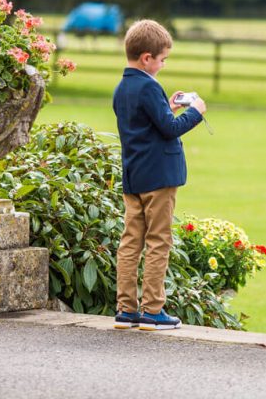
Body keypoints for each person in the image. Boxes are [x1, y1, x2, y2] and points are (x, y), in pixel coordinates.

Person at [112, 19, 206, 330]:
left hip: (134, 175)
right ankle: (153, 309)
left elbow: (147, 123)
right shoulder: (149, 85)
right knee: (158, 241)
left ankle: (125, 309)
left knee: (130, 241)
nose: (163, 65)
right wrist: (195, 112)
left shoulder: (122, 87)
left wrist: (167, 107)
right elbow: (169, 129)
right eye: (162, 59)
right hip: (159, 178)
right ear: (146, 58)